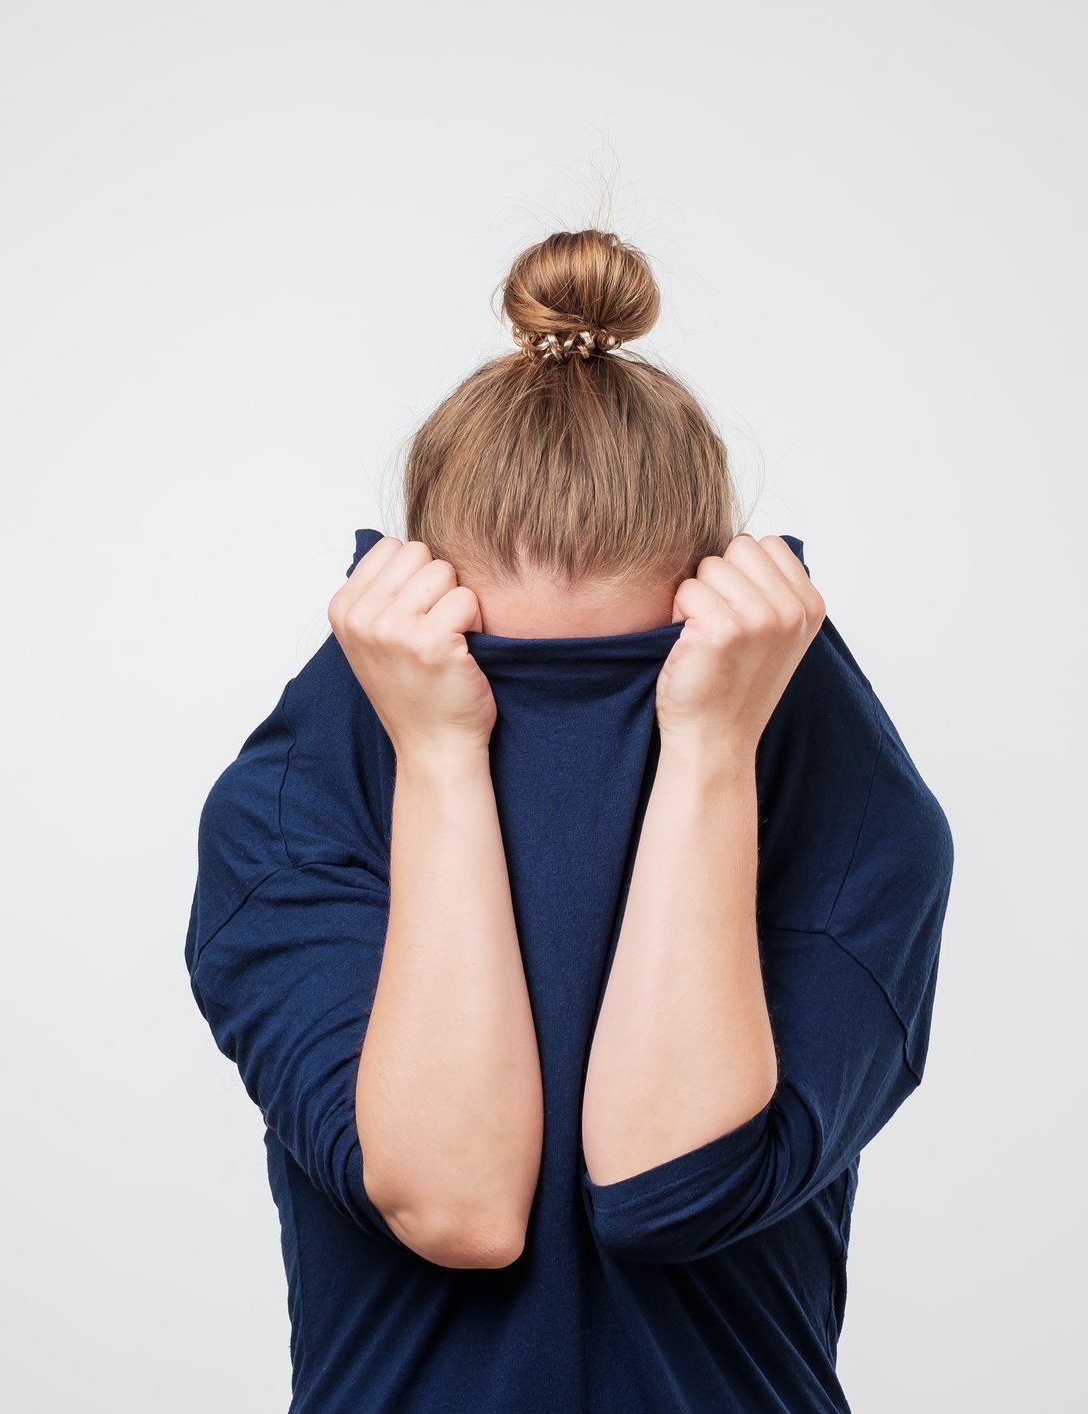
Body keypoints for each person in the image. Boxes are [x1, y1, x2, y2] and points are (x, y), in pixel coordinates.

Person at [184, 229, 954, 1412]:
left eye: (627, 688)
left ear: (722, 633)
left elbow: (670, 1185)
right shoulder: (294, 813)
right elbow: (457, 1202)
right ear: (405, 634)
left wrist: (704, 748)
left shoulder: (851, 819)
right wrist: (441, 752)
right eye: (507, 684)